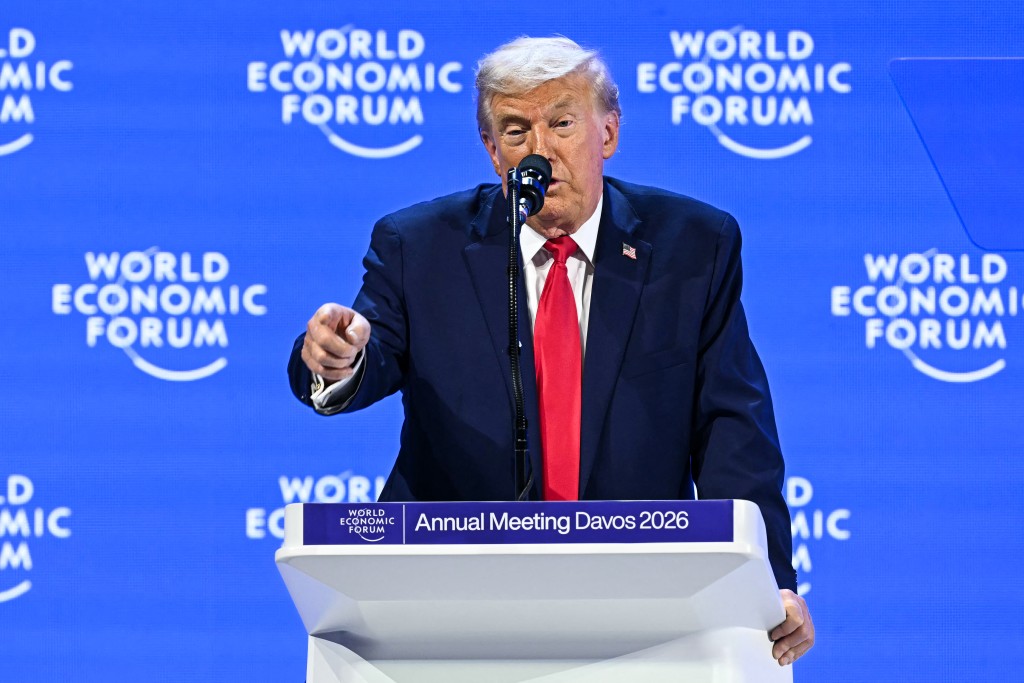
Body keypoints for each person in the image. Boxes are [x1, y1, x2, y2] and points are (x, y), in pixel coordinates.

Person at [288, 36, 814, 666]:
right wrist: (337, 359)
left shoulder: (693, 245)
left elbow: (733, 429)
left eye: (562, 123)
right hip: (443, 603)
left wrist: (768, 582)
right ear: (492, 151)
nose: (539, 152)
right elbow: (368, 353)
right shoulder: (419, 245)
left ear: (608, 132)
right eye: (515, 131)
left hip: (642, 598)